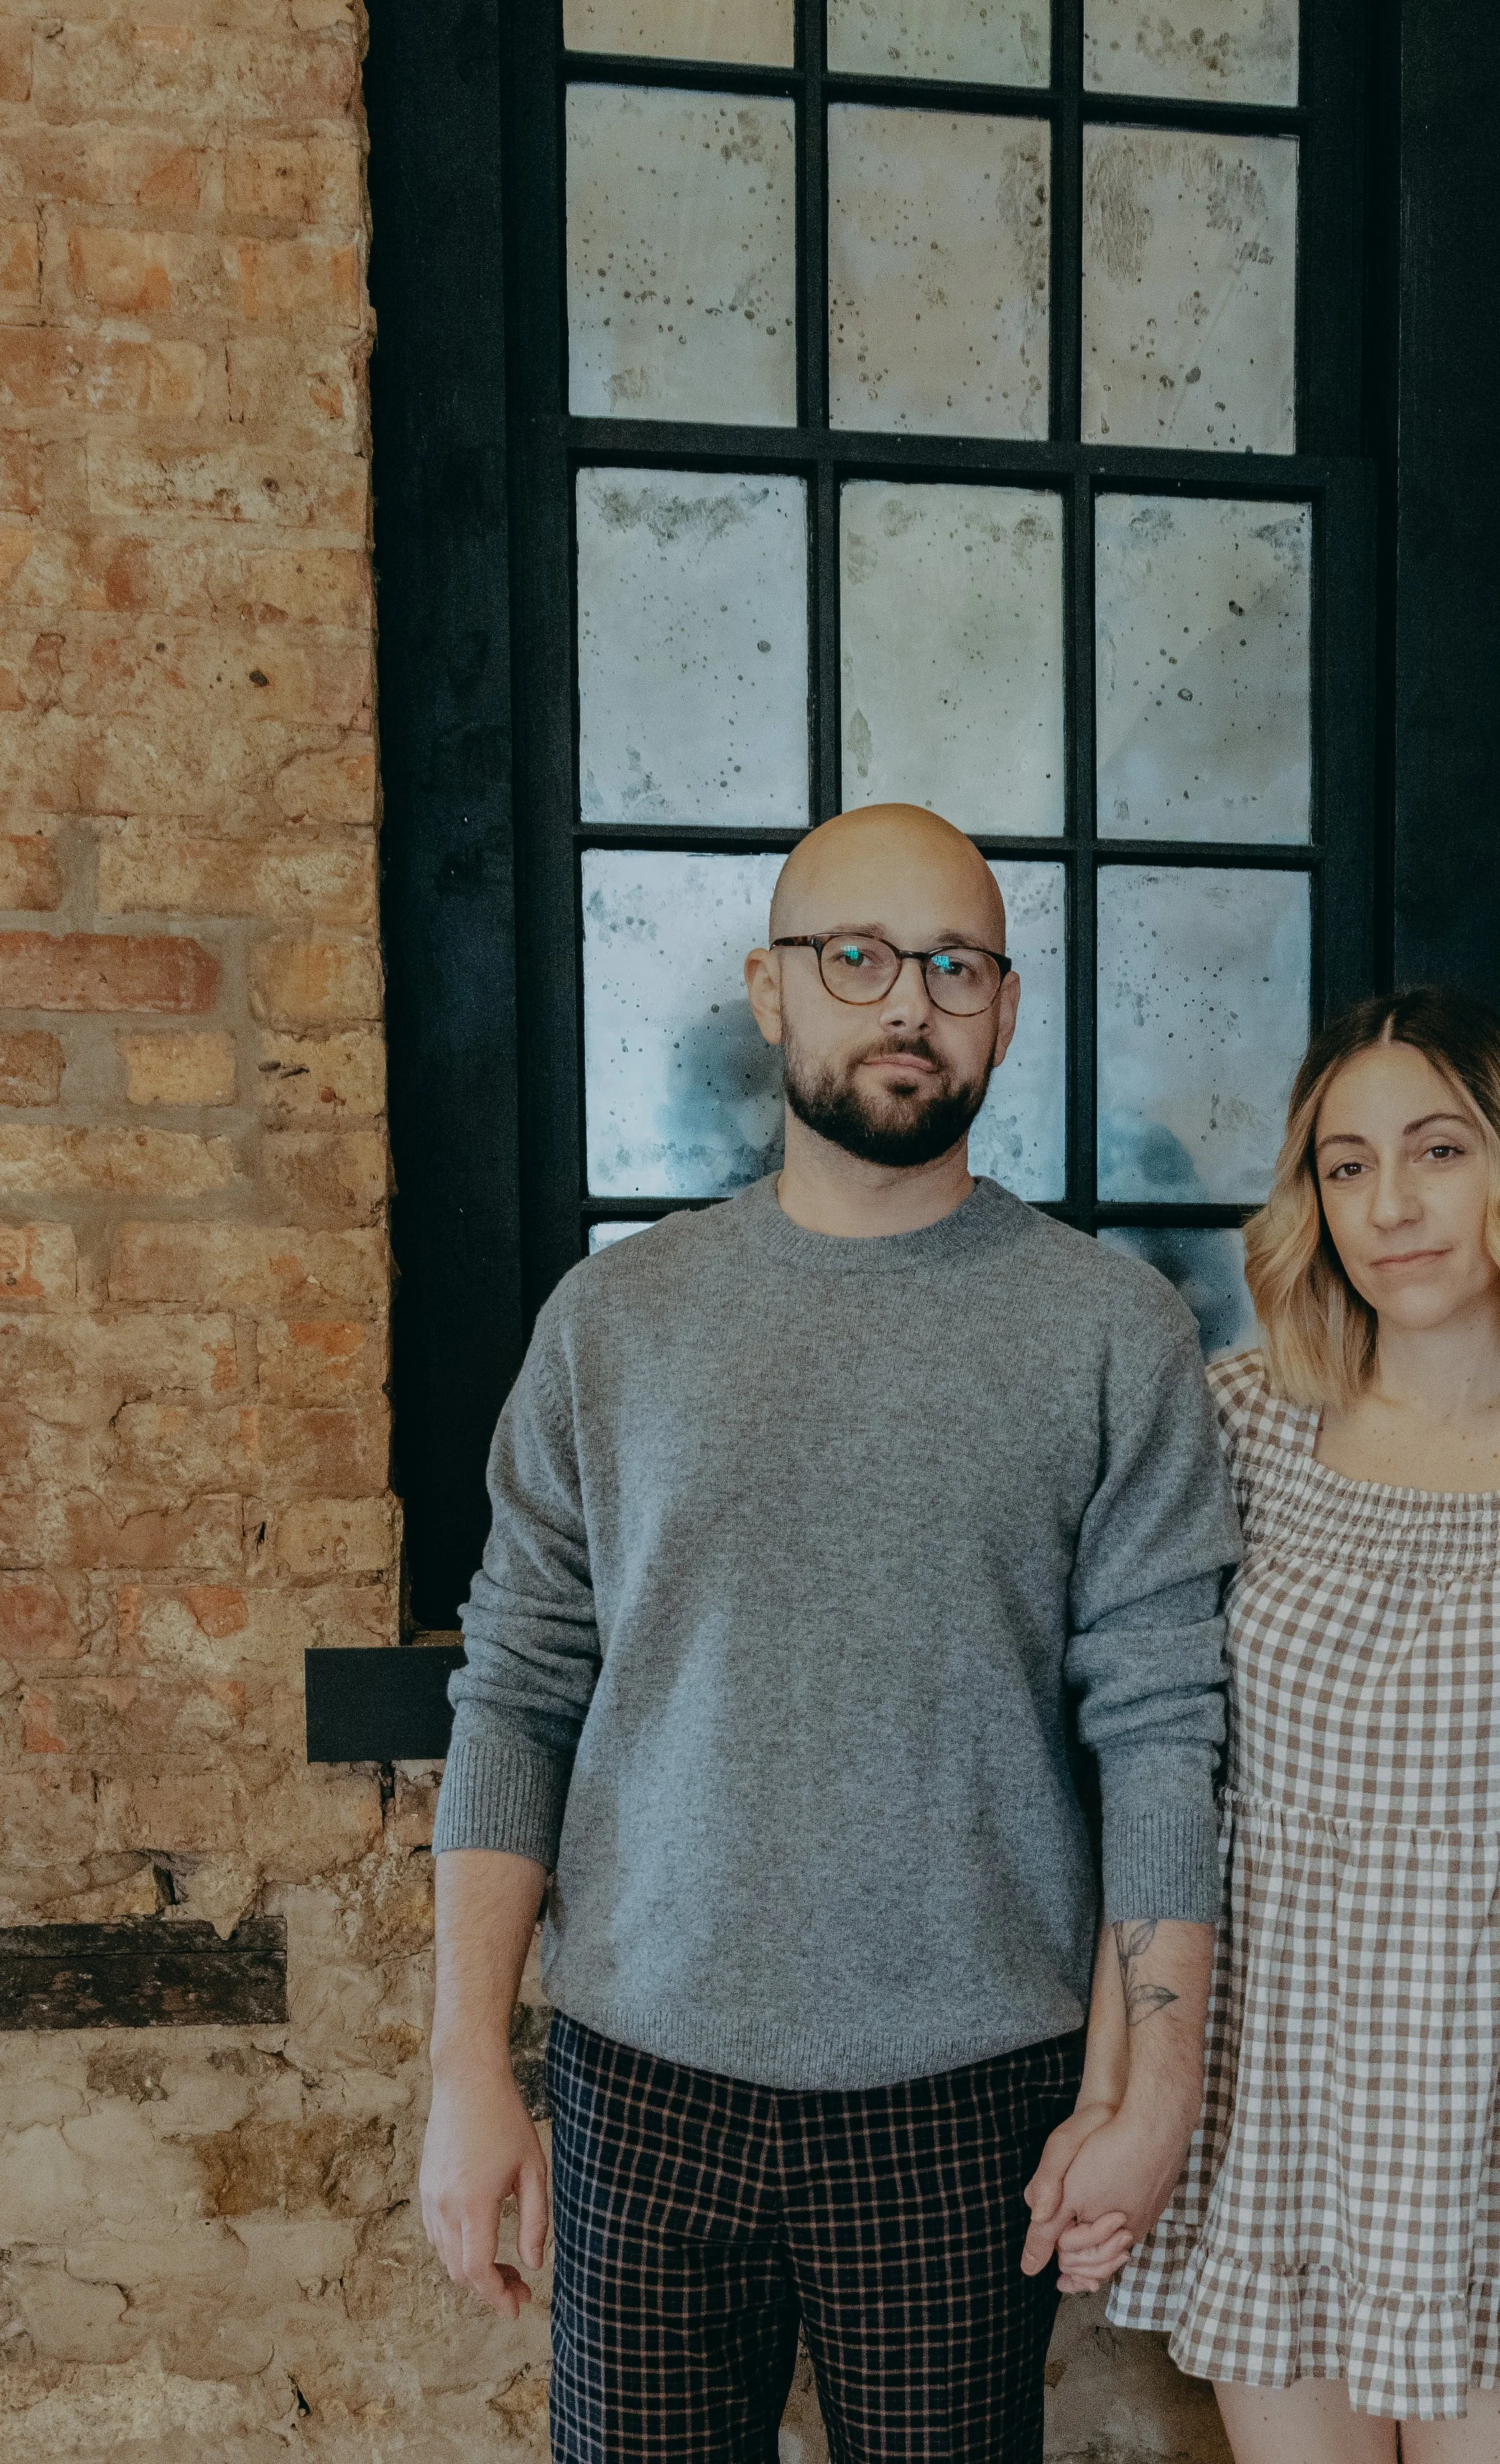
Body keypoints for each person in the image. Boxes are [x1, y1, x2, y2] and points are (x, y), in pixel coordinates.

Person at [417, 801, 1241, 2463]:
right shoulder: (617, 1321)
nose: (905, 1004)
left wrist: (1149, 2094)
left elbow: (1159, 1727)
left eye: (952, 965)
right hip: (639, 2073)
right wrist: (467, 2066)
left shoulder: (1108, 1332)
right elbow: (513, 1692)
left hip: (964, 2095)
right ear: (770, 991)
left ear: (1003, 1009)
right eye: (853, 957)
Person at [1059, 987, 1500, 2463]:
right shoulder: (1238, 1419)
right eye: (1342, 1164)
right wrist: (1110, 2092)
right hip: (1270, 2052)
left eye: (1436, 1149)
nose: (1387, 1203)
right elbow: (1160, 1780)